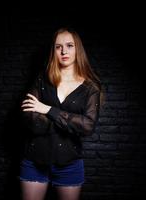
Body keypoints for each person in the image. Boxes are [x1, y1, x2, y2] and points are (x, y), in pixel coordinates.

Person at [19, 27, 102, 200]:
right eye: (58, 47)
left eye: (69, 45)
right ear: (53, 51)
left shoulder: (90, 88)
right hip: (34, 160)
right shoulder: (42, 80)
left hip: (70, 164)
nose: (64, 51)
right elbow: (30, 118)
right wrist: (70, 124)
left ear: (77, 49)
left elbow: (87, 127)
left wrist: (48, 110)